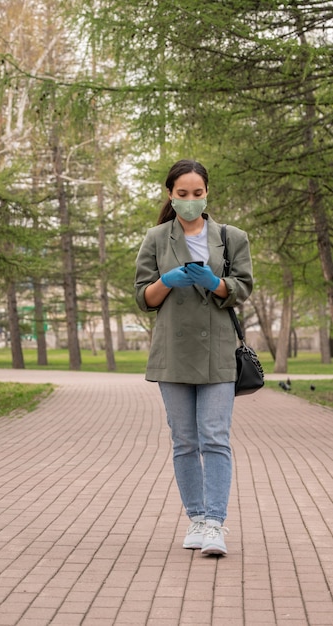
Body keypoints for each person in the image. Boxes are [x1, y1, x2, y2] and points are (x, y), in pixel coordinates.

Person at [135, 159, 253, 556]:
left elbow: (243, 287)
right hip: (172, 353)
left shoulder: (231, 236)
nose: (189, 201)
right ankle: (197, 519)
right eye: (181, 194)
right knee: (185, 441)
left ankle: (216, 524)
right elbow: (143, 298)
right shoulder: (156, 238)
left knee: (215, 438)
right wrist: (165, 282)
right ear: (170, 194)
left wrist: (216, 283)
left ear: (207, 193)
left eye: (196, 194)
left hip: (218, 352)